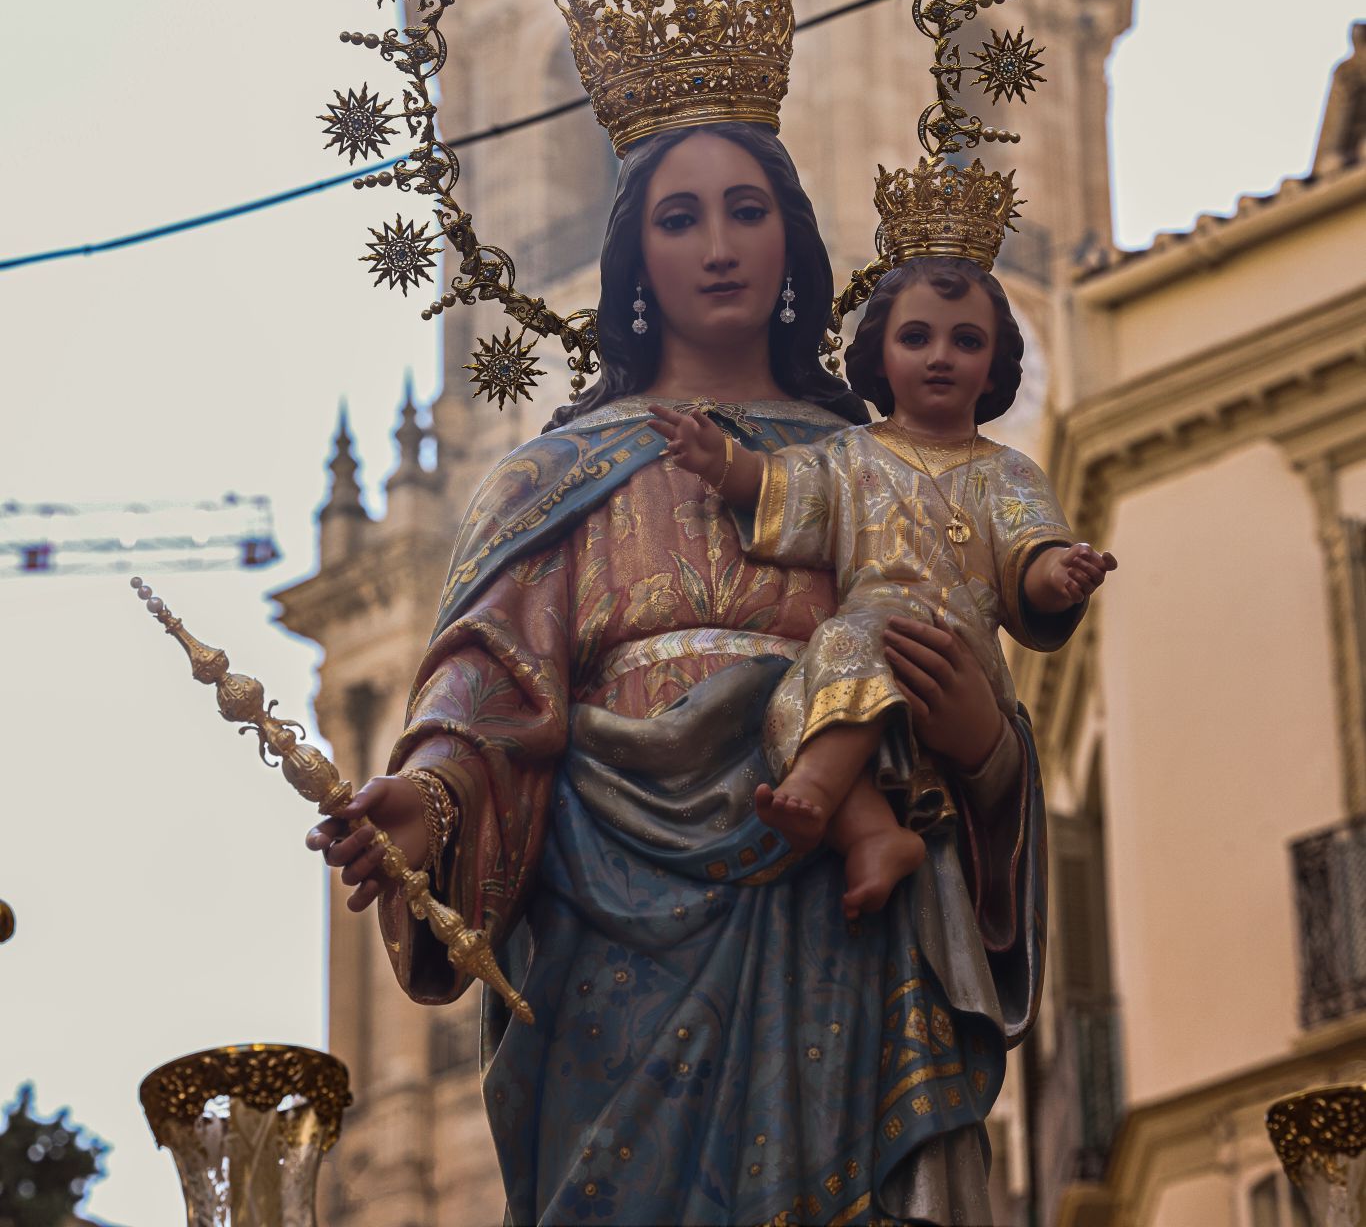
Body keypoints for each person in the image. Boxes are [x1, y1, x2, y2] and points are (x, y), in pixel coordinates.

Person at [308, 124, 1055, 1226]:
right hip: (614, 949)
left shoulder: (884, 467)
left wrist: (985, 743)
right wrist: (425, 804)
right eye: (679, 215)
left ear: (792, 239)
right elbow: (481, 690)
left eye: (747, 210)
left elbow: (966, 683)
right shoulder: (549, 477)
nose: (718, 244)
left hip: (846, 928)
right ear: (635, 258)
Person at [651, 254, 1117, 920]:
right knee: (789, 710)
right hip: (859, 647)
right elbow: (785, 488)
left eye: (967, 341)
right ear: (880, 352)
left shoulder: (1006, 472)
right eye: (916, 337)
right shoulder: (851, 456)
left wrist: (1058, 575)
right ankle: (872, 833)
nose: (941, 357)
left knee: (854, 633)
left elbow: (1030, 550)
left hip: (947, 647)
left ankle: (817, 787)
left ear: (994, 365)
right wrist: (720, 460)